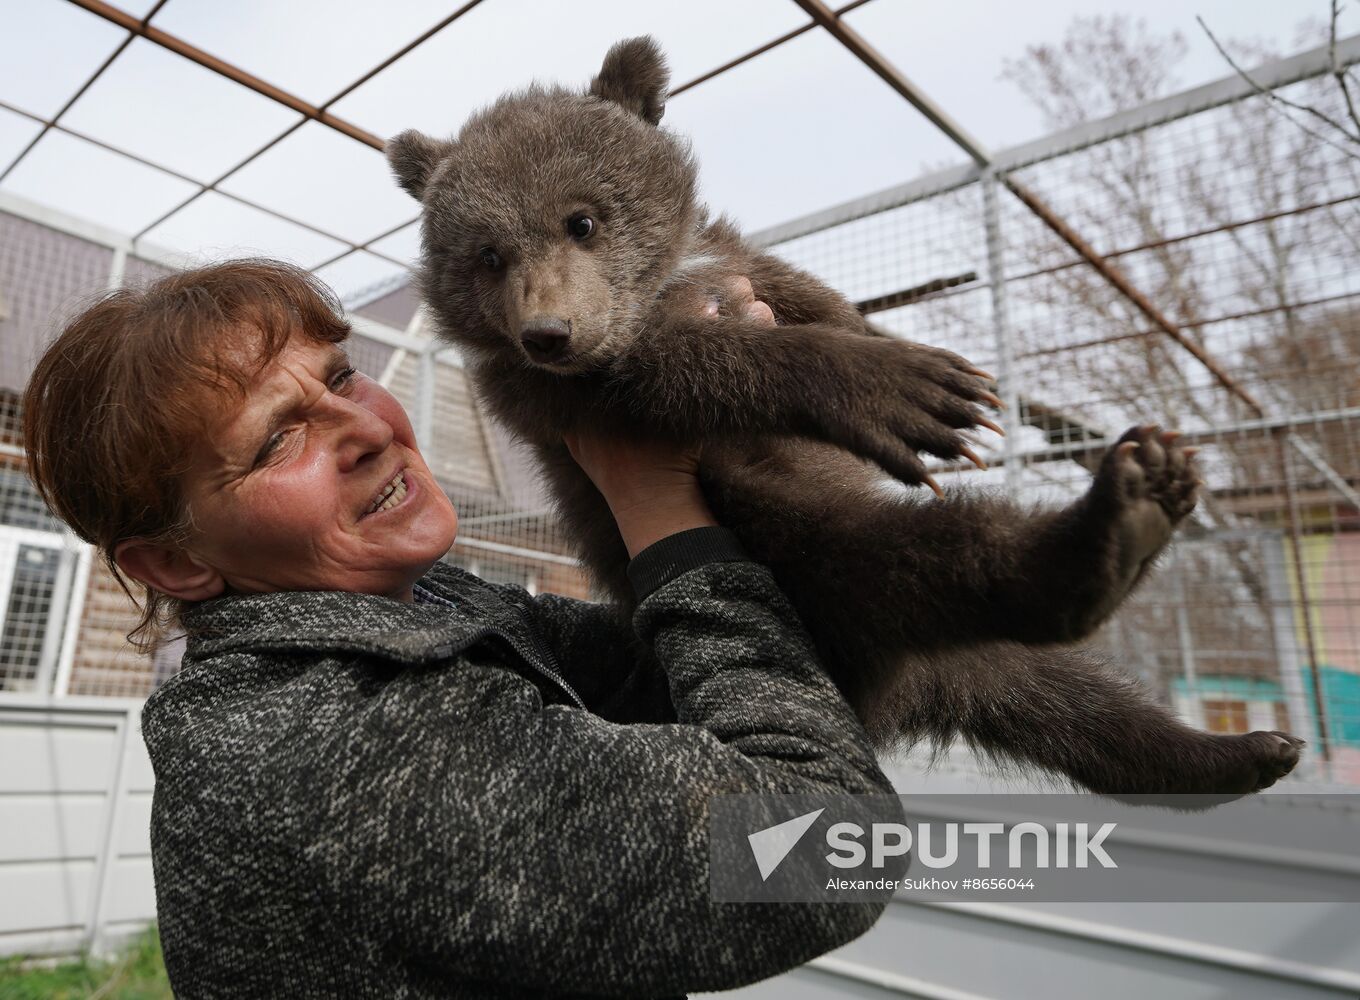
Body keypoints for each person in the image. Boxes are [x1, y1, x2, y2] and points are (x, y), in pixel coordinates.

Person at [22, 259, 902, 998]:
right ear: (175, 566)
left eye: (338, 377)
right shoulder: (330, 746)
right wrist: (651, 498)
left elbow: (684, 669)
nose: (365, 424)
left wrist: (718, 421)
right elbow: (829, 844)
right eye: (274, 441)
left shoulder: (426, 608)